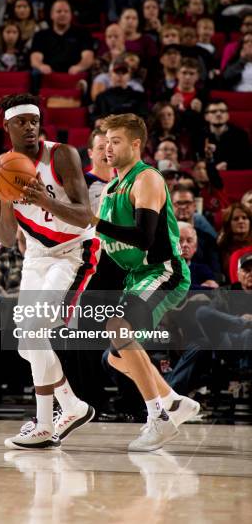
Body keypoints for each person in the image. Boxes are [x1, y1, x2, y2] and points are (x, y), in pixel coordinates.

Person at [0, 93, 100, 450]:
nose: (30, 128)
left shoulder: (61, 155)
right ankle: (73, 405)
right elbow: (4, 238)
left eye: (34, 121)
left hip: (73, 251)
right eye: (22, 122)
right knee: (25, 342)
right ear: (8, 127)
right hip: (36, 255)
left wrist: (44, 201)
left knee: (34, 331)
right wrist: (5, 197)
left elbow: (86, 216)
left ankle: (45, 424)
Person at [85, 113, 200, 451]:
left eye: (115, 141)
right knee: (114, 357)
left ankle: (159, 417)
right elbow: (108, 250)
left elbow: (144, 238)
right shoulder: (111, 187)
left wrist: (94, 222)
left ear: (136, 144)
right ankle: (174, 401)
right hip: (135, 276)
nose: (108, 148)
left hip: (163, 270)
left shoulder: (146, 178)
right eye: (105, 142)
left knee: (120, 329)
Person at [30, 0, 94, 74]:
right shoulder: (40, 35)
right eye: (59, 11)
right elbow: (35, 58)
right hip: (48, 75)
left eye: (66, 11)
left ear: (71, 15)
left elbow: (88, 57)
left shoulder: (83, 33)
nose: (63, 14)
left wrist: (79, 67)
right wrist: (41, 66)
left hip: (75, 74)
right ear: (51, 15)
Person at [197, 99, 252, 170]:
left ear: (228, 115)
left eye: (222, 111)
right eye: (213, 112)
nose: (218, 114)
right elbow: (198, 160)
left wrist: (228, 165)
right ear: (206, 117)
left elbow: (247, 160)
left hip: (233, 174)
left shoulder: (241, 135)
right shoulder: (199, 135)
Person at [178, 222, 219, 289]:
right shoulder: (163, 269)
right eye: (180, 240)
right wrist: (201, 288)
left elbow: (213, 289)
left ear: (195, 247)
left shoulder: (203, 269)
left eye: (189, 241)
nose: (185, 245)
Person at [217, 203, 252, 281]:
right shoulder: (222, 248)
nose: (241, 221)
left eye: (244, 218)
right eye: (236, 219)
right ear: (229, 224)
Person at [84, 128, 114, 213]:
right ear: (90, 153)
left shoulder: (125, 181)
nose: (107, 152)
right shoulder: (82, 185)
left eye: (110, 146)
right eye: (101, 148)